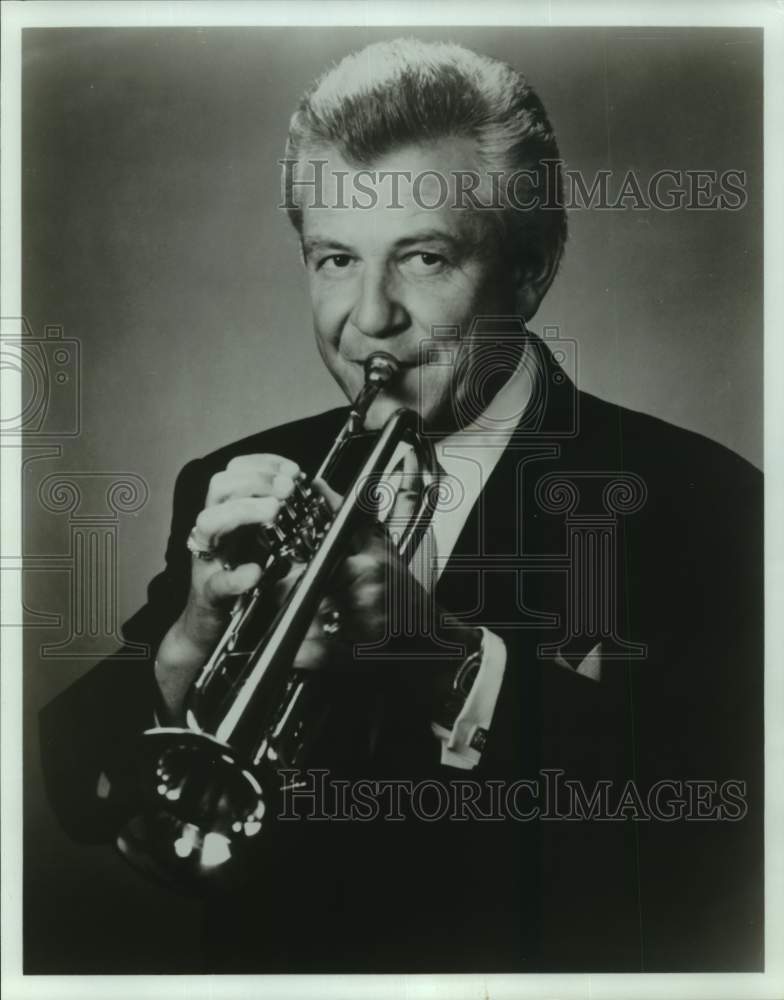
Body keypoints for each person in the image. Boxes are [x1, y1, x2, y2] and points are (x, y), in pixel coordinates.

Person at [39, 38, 763, 973]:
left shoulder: (705, 501)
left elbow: (717, 834)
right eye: (335, 259)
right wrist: (190, 634)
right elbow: (78, 784)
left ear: (532, 269)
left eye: (422, 258)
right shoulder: (235, 477)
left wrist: (444, 656)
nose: (370, 318)